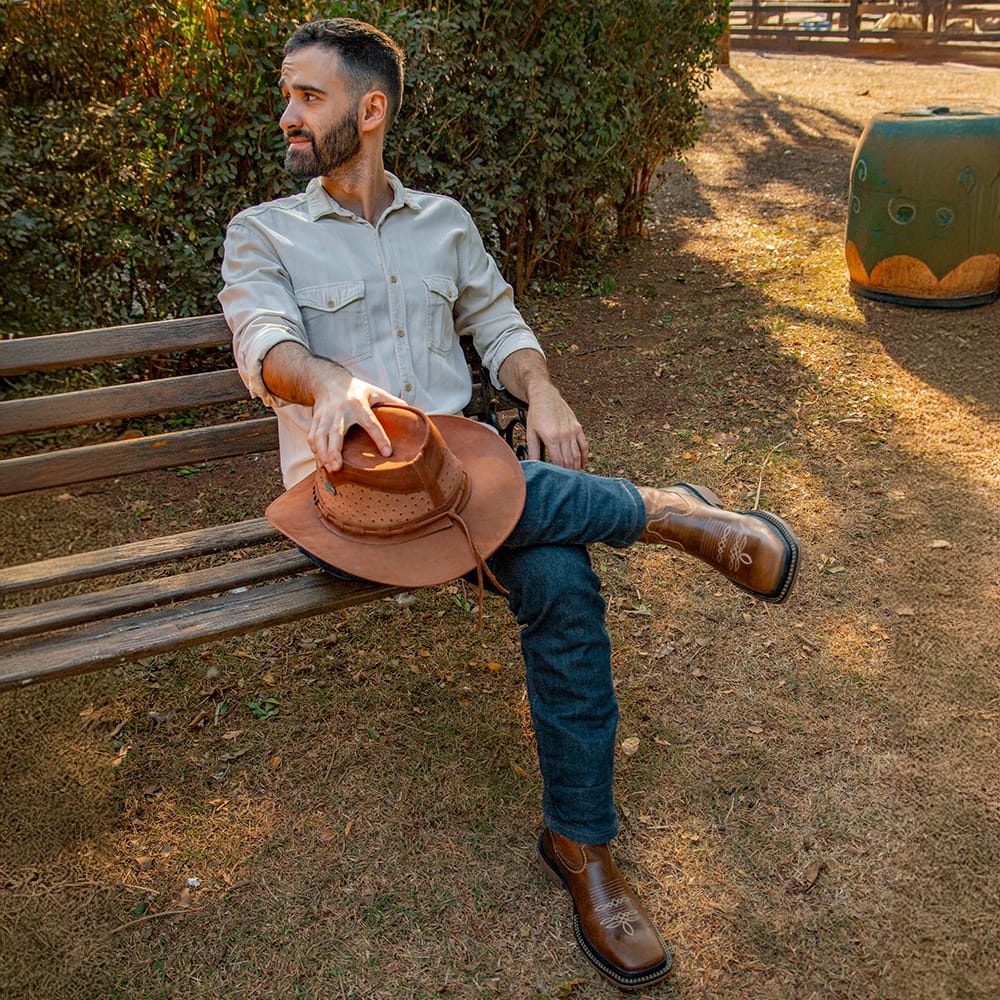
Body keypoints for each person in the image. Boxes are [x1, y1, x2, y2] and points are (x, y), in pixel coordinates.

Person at [219, 18, 799, 990]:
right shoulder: (263, 233)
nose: (287, 113)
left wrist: (543, 389)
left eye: (306, 95)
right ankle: (660, 511)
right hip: (351, 507)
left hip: (481, 490)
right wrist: (327, 386)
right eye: (287, 94)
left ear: (370, 109)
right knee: (541, 522)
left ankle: (579, 845)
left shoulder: (443, 220)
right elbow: (263, 338)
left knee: (562, 581)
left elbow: (500, 323)